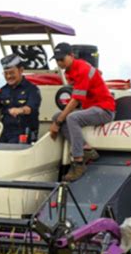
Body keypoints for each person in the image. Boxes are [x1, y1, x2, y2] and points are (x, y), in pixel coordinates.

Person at [49, 42, 116, 182]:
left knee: (71, 118)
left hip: (104, 109)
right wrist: (58, 119)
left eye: (62, 59)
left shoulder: (82, 69)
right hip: (90, 108)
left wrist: (58, 122)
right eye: (57, 60)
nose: (59, 62)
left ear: (71, 56)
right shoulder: (69, 71)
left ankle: (78, 162)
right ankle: (86, 149)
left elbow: (74, 101)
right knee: (57, 115)